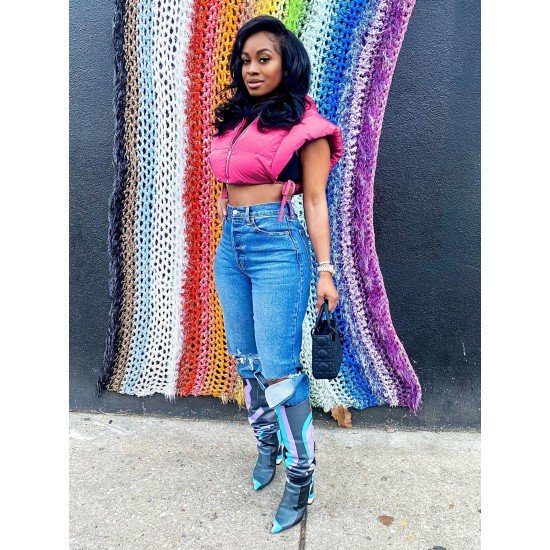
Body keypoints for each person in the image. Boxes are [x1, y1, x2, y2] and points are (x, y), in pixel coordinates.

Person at [208, 15, 343, 534]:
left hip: (278, 247)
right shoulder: (237, 120)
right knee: (247, 360)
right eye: (245, 60)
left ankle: (302, 477)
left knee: (280, 370)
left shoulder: (307, 126)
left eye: (264, 58)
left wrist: (326, 270)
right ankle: (267, 446)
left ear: (288, 63)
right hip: (232, 245)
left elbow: (316, 201)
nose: (252, 69)